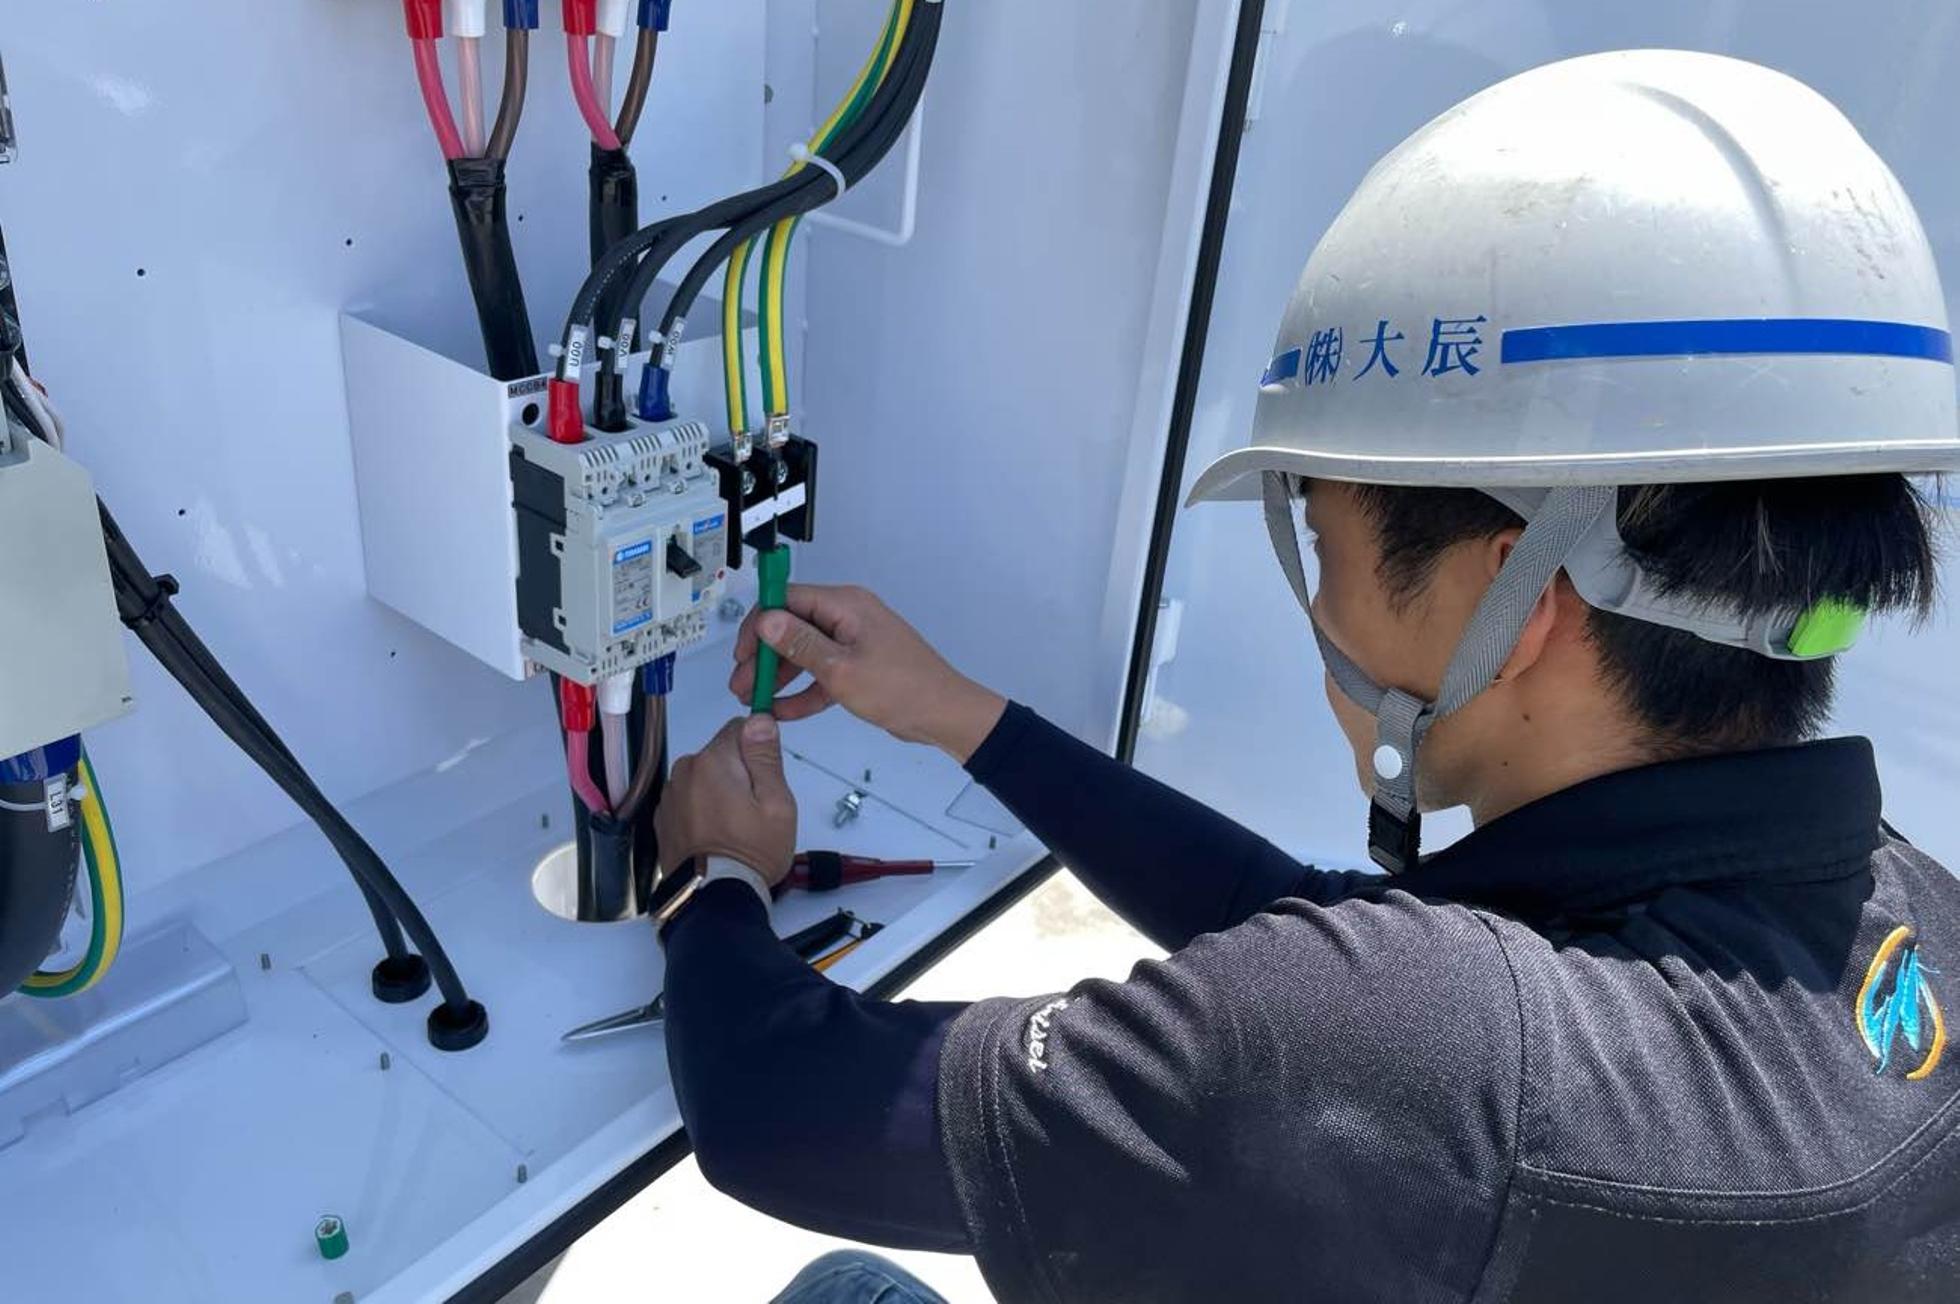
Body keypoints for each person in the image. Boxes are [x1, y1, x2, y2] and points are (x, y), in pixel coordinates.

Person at [649, 50, 1960, 1303]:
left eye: (1323, 548)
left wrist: (715, 878)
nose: (1317, 613)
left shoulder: (1420, 1063)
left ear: (1512, 600)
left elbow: (780, 1108)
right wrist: (965, 719)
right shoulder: (1901, 917)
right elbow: (1310, 938)